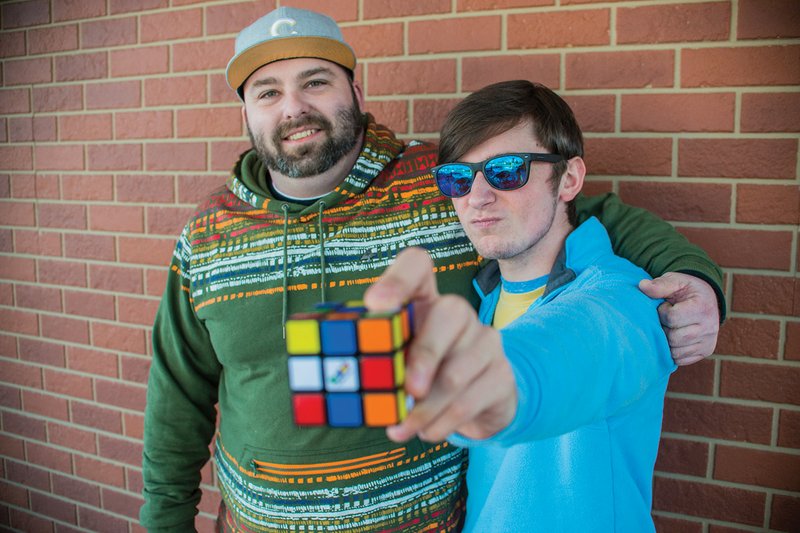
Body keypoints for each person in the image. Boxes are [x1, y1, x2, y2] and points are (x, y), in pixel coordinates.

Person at [139, 7, 724, 532]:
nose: (293, 107)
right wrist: (166, 518)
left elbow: (567, 215)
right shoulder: (208, 233)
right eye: (267, 92)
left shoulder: (439, 182)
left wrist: (691, 276)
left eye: (315, 82)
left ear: (355, 92)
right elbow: (177, 385)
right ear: (246, 111)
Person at [365, 80, 678, 531]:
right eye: (457, 178)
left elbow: (562, 353)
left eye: (506, 170)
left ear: (569, 179)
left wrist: (481, 381)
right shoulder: (487, 296)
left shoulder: (622, 298)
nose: (477, 197)